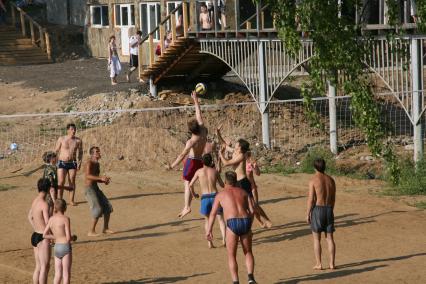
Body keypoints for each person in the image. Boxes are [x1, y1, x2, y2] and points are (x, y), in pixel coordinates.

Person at [206, 171, 257, 284]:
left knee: (231, 255)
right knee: (248, 252)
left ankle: (236, 281)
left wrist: (209, 230)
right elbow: (252, 210)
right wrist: (250, 225)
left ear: (225, 181)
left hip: (232, 222)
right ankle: (250, 278)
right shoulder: (244, 192)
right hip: (245, 221)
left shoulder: (220, 195)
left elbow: (213, 213)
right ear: (236, 181)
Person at [217, 130, 271, 228]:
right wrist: (218, 133)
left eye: (237, 144)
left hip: (243, 182)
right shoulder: (235, 151)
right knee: (241, 205)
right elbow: (224, 144)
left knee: (253, 204)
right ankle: (248, 225)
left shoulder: (241, 155)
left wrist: (220, 154)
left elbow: (226, 163)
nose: (235, 144)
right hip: (236, 182)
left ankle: (266, 219)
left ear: (240, 147)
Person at [166, 91, 207, 218]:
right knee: (198, 183)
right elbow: (199, 113)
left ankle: (187, 207)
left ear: (190, 130)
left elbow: (182, 155)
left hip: (192, 162)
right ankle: (196, 199)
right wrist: (195, 100)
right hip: (201, 161)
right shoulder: (204, 130)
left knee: (187, 184)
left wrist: (171, 166)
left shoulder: (191, 141)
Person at [189, 153, 226, 248]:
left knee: (207, 221)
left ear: (202, 161)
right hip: (215, 197)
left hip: (205, 197)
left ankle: (210, 243)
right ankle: (224, 240)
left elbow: (190, 185)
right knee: (220, 219)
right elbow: (222, 185)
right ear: (211, 161)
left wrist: (194, 194)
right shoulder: (214, 171)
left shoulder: (198, 172)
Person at [306, 158, 336, 270]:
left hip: (318, 210)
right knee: (330, 238)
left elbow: (311, 199)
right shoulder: (331, 180)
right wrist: (330, 209)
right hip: (329, 209)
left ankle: (319, 264)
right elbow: (333, 198)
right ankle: (332, 263)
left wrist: (308, 213)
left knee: (316, 239)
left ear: (314, 167)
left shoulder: (313, 180)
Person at [43, 199, 74, 284]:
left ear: (55, 208)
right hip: (65, 246)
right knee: (66, 274)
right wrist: (73, 237)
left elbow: (44, 235)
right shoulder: (66, 219)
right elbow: (68, 238)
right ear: (65, 208)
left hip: (57, 247)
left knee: (57, 274)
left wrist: (56, 237)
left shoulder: (51, 219)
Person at [85, 146, 113, 237]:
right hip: (89, 189)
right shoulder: (89, 163)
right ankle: (91, 231)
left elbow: (95, 178)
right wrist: (101, 178)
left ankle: (105, 228)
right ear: (92, 154)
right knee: (97, 209)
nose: (99, 153)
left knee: (107, 206)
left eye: (99, 151)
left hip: (95, 187)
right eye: (97, 152)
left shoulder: (97, 164)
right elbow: (88, 176)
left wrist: (103, 181)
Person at [28, 178, 52, 284]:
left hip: (35, 235)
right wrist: (52, 235)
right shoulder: (44, 204)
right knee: (44, 267)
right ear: (48, 189)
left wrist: (35, 228)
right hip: (43, 237)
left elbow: (29, 217)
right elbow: (48, 223)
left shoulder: (35, 200)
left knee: (38, 266)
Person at [55, 123, 83, 206]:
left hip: (72, 163)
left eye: (74, 129)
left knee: (72, 181)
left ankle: (71, 200)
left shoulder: (78, 140)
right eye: (72, 129)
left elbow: (80, 152)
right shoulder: (61, 139)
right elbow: (56, 150)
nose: (74, 131)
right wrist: (54, 161)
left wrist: (80, 162)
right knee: (61, 181)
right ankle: (59, 200)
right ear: (67, 130)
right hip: (61, 162)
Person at [246, 151, 272, 228]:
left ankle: (266, 220)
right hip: (243, 187)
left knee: (255, 206)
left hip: (252, 187)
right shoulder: (240, 161)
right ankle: (260, 222)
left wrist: (254, 167)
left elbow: (258, 173)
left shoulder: (251, 162)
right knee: (250, 208)